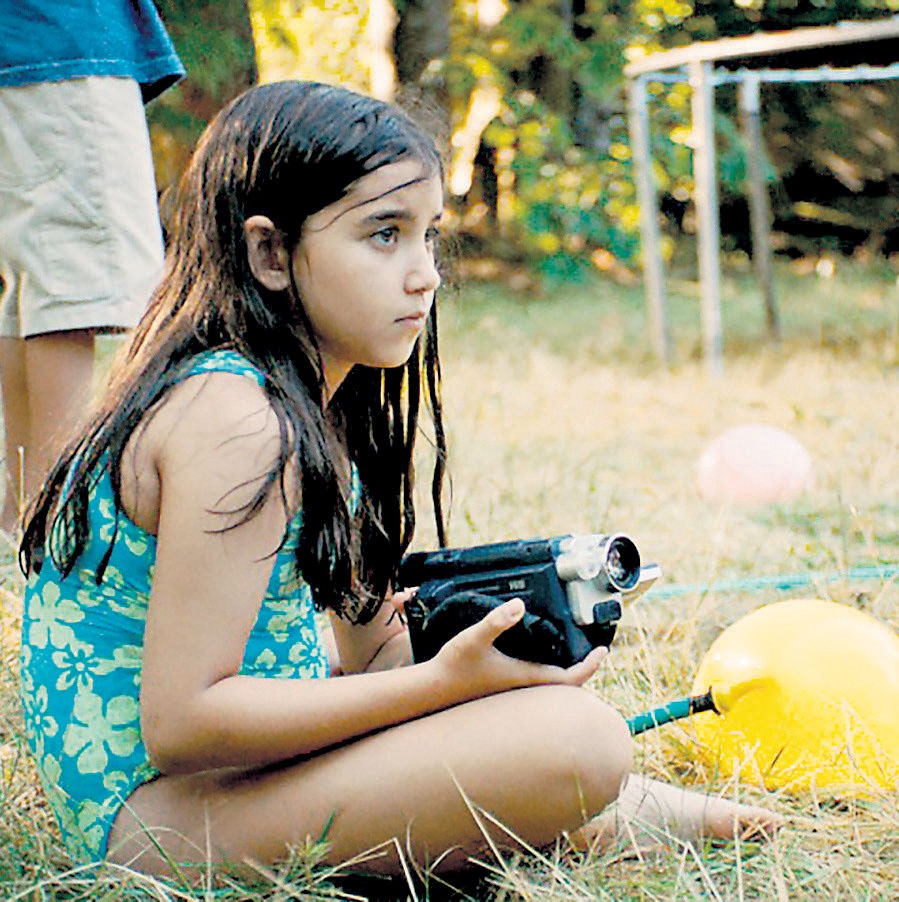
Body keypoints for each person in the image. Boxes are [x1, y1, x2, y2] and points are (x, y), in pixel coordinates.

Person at [18, 80, 781, 880]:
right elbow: (185, 723)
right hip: (154, 824)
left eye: (428, 237)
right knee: (579, 739)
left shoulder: (315, 404)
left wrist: (496, 644)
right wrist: (442, 687)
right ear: (270, 254)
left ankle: (583, 804)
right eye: (384, 235)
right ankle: (581, 807)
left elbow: (375, 654)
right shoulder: (235, 421)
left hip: (232, 781)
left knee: (554, 723)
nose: (425, 276)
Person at [0, 1, 184, 543]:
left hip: (30, 44)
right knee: (69, 287)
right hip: (59, 35)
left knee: (30, 286)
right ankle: (56, 532)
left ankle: (25, 522)